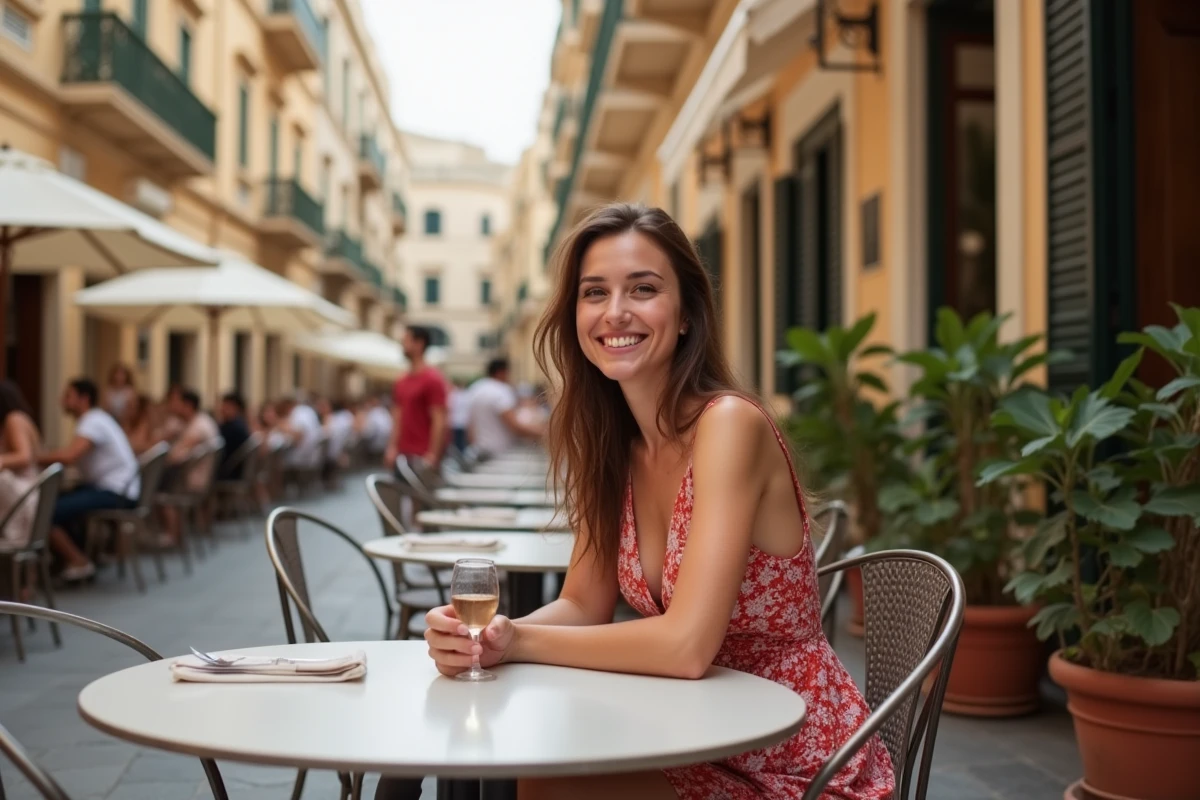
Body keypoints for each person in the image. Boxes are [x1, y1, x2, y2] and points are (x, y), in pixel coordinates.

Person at [423, 204, 894, 799]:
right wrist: (487, 636)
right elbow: (581, 603)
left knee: (538, 778)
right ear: (575, 318)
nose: (615, 311)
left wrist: (518, 642)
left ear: (687, 315)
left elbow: (686, 646)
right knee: (517, 761)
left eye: (643, 289)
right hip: (691, 727)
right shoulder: (612, 444)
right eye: (595, 292)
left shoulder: (729, 425)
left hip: (792, 755)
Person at [39, 378, 140, 581]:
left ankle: (79, 561)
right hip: (118, 488)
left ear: (84, 399)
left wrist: (31, 456)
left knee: (47, 510)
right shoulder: (96, 419)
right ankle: (78, 559)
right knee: (61, 501)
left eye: (68, 396)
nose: (62, 401)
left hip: (116, 491)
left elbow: (69, 456)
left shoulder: (93, 421)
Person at [385, 326, 448, 470]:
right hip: (402, 454)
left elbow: (439, 419)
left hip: (423, 456)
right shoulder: (401, 381)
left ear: (419, 344)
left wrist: (433, 454)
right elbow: (398, 416)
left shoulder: (433, 380)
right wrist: (392, 447)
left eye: (406, 341)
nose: (402, 345)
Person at [466, 358, 542, 458]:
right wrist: (543, 433)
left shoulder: (475, 389)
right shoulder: (501, 391)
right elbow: (515, 426)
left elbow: (470, 427)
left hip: (480, 450)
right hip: (500, 452)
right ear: (501, 372)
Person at [0, 380, 43, 549]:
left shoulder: (13, 419)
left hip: (23, 496)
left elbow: (24, 457)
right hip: (29, 495)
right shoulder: (21, 418)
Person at [216, 392, 252, 480]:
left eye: (224, 405)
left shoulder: (232, 428)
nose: (221, 409)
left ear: (234, 407)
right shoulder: (241, 424)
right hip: (237, 472)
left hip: (229, 473)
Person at [447, 377, 472, 454]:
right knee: (460, 442)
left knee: (459, 442)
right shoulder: (462, 394)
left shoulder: (455, 395)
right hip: (459, 422)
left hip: (458, 422)